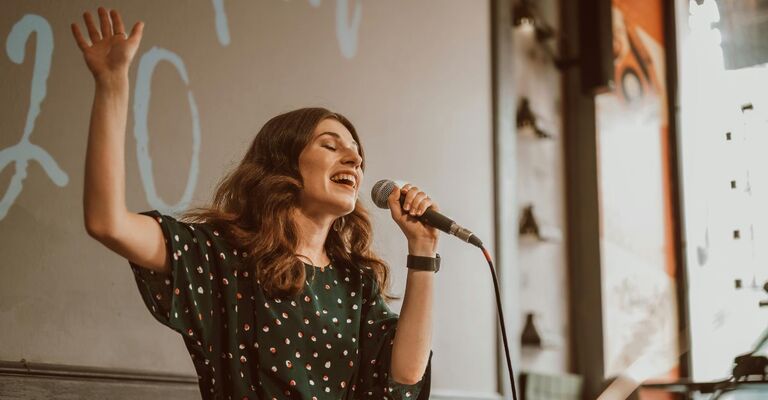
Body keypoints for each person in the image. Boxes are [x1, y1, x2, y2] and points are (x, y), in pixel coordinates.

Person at [74, 7, 438, 399]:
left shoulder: (355, 281)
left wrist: (423, 251)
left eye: (356, 153)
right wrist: (112, 87)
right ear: (284, 163)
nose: (354, 159)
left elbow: (404, 376)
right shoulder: (225, 256)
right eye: (330, 146)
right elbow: (106, 222)